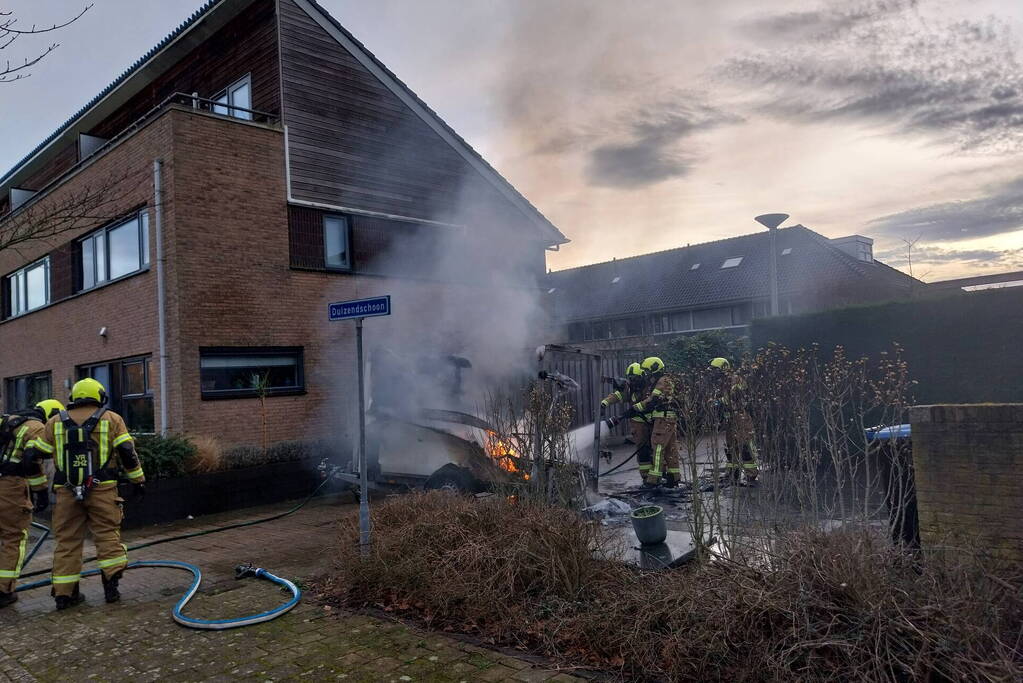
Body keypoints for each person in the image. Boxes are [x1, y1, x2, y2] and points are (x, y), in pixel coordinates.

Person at [23, 378, 145, 610]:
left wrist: (38, 490)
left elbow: (32, 456)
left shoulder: (54, 422)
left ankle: (64, 596)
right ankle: (111, 590)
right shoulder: (112, 419)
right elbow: (127, 452)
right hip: (104, 489)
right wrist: (138, 481)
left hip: (66, 493)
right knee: (107, 536)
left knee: (67, 542)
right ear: (99, 396)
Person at [0, 399, 63, 608]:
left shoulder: (8, 420)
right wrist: (41, 492)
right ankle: (4, 590)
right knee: (13, 536)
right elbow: (30, 461)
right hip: (9, 487)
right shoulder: (36, 427)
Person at [709, 357, 760, 483]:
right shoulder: (722, 382)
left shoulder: (735, 379)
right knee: (731, 447)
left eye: (715, 370)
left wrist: (717, 402)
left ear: (723, 369)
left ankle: (751, 474)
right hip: (730, 419)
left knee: (744, 445)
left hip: (740, 417)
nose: (713, 373)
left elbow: (734, 398)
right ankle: (733, 473)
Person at [600, 362, 653, 484]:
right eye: (630, 378)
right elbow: (618, 395)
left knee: (656, 450)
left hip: (652, 423)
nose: (632, 381)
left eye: (634, 378)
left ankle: (659, 476)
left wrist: (633, 410)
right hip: (638, 426)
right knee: (642, 451)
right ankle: (646, 478)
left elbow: (649, 402)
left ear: (641, 376)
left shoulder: (649, 387)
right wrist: (604, 403)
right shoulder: (631, 388)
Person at [632, 357, 681, 487]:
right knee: (671, 448)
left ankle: (654, 479)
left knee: (658, 447)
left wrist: (636, 407)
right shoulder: (667, 380)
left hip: (663, 419)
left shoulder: (662, 381)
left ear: (655, 370)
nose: (648, 376)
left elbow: (653, 400)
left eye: (648, 373)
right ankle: (673, 477)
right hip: (668, 418)